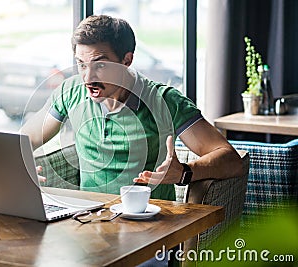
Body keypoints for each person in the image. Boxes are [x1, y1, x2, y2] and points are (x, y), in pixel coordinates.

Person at [21, 14, 243, 201]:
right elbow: (25, 139)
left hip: (151, 228)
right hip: (87, 222)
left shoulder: (164, 100)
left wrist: (184, 172)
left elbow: (231, 160)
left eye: (100, 65)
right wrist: (16, 167)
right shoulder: (70, 91)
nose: (88, 77)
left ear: (127, 60)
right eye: (81, 64)